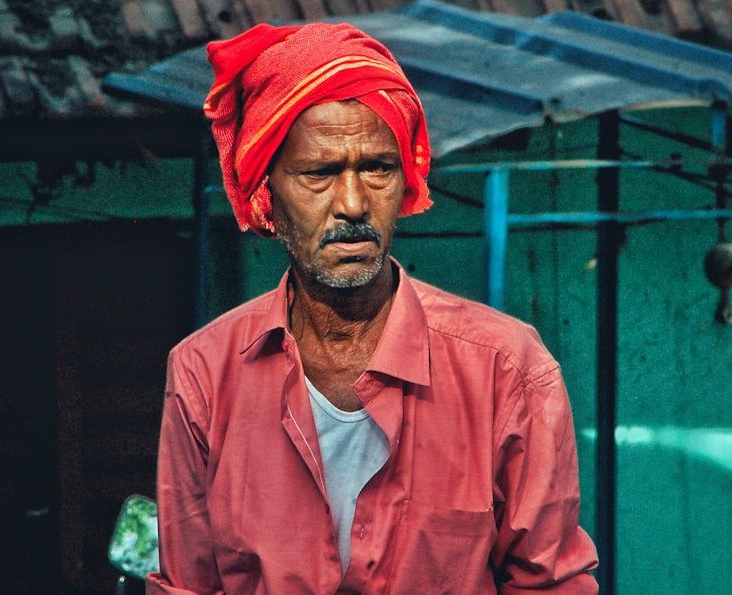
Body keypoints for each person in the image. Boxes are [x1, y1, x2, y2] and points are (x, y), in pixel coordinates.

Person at [147, 21, 599, 595]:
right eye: (320, 173)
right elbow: (187, 585)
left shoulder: (508, 370)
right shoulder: (204, 374)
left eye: (378, 168)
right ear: (267, 193)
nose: (354, 203)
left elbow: (551, 582)